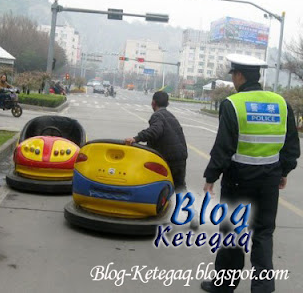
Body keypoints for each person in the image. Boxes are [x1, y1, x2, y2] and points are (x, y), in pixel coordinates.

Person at [201, 54, 300, 293]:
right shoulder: (282, 103)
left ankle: (224, 285)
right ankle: (263, 288)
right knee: (264, 233)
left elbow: (224, 147)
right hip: (269, 181)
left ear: (240, 76)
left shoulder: (233, 104)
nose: (233, 80)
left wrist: (211, 177)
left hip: (238, 180)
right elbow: (291, 144)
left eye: (234, 75)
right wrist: (284, 171)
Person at [125, 91, 188, 192]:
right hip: (181, 156)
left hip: (169, 157)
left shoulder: (157, 116)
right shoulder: (170, 115)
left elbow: (155, 130)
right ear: (167, 103)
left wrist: (136, 139)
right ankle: (187, 207)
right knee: (180, 187)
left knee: (157, 184)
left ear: (153, 103)